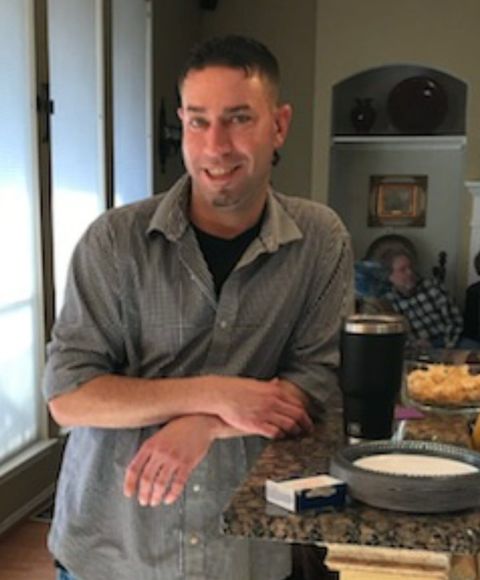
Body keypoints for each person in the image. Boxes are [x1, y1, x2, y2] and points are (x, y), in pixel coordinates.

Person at [42, 35, 353, 580]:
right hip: (115, 553)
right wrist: (214, 393)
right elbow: (69, 396)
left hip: (248, 552)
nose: (215, 146)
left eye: (238, 119)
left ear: (279, 125)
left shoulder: (320, 239)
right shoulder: (114, 241)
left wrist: (205, 425)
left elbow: (315, 384)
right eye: (198, 121)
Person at [380, 249, 463, 349]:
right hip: (415, 348)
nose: (410, 272)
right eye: (402, 270)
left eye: (411, 267)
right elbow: (392, 338)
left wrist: (447, 345)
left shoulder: (433, 286)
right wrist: (413, 345)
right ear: (390, 276)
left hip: (448, 340)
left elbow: (455, 320)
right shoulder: (388, 302)